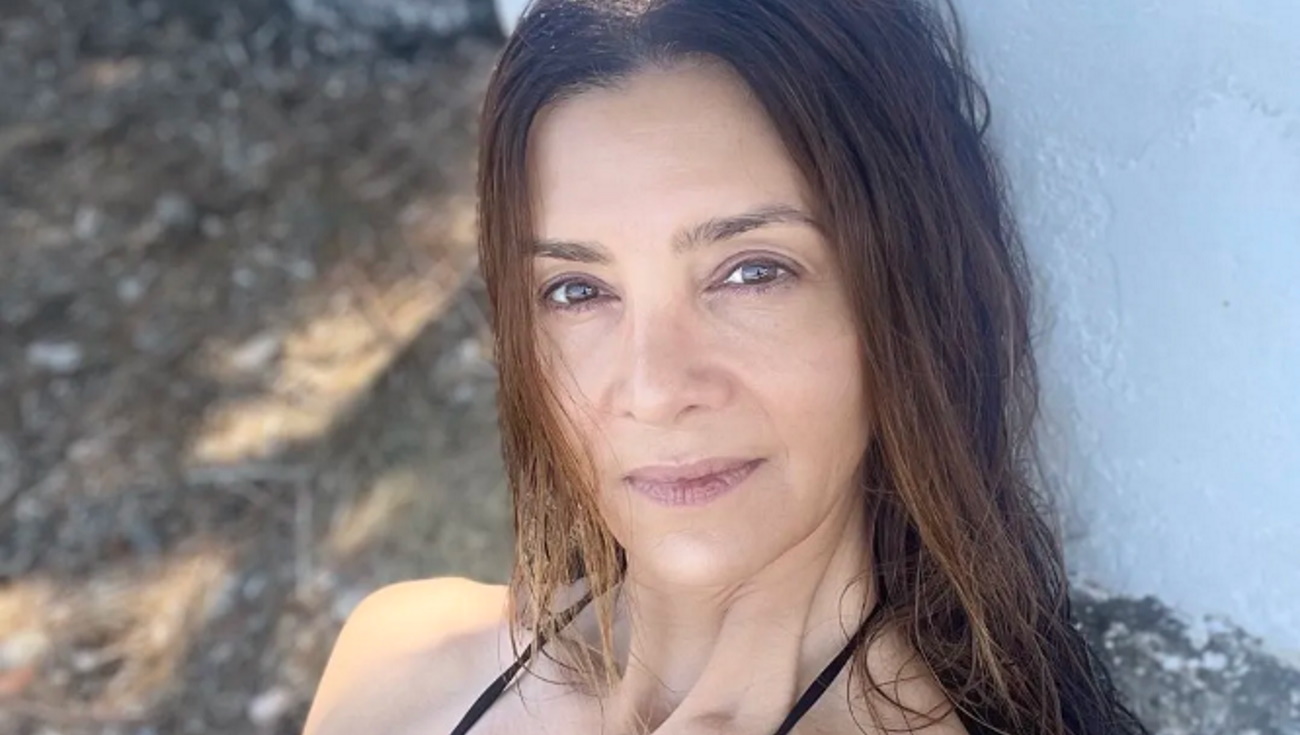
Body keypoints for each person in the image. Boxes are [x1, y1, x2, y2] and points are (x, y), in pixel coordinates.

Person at [303, 0, 1152, 733]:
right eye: (576, 290)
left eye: (751, 272)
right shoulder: (398, 664)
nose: (654, 389)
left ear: (903, 291)